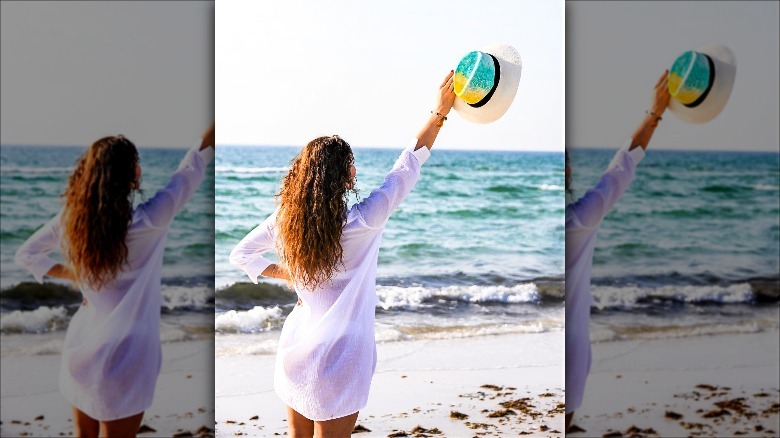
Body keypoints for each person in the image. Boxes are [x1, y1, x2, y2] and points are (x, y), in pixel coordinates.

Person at [229, 71, 455, 437]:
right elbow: (408, 164)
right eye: (351, 164)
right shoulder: (365, 220)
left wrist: (291, 274)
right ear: (346, 176)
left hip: (298, 348)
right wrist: (440, 112)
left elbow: (242, 255)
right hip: (344, 357)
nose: (355, 168)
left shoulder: (285, 221)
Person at [15, 124, 215, 437]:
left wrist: (76, 274)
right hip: (129, 357)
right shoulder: (150, 220)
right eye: (137, 163)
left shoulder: (70, 222)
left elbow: (27, 255)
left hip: (82, 348)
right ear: (132, 175)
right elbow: (191, 168)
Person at [564, 71, 671, 431]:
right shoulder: (581, 219)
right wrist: (656, 113)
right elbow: (622, 166)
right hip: (572, 346)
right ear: (567, 172)